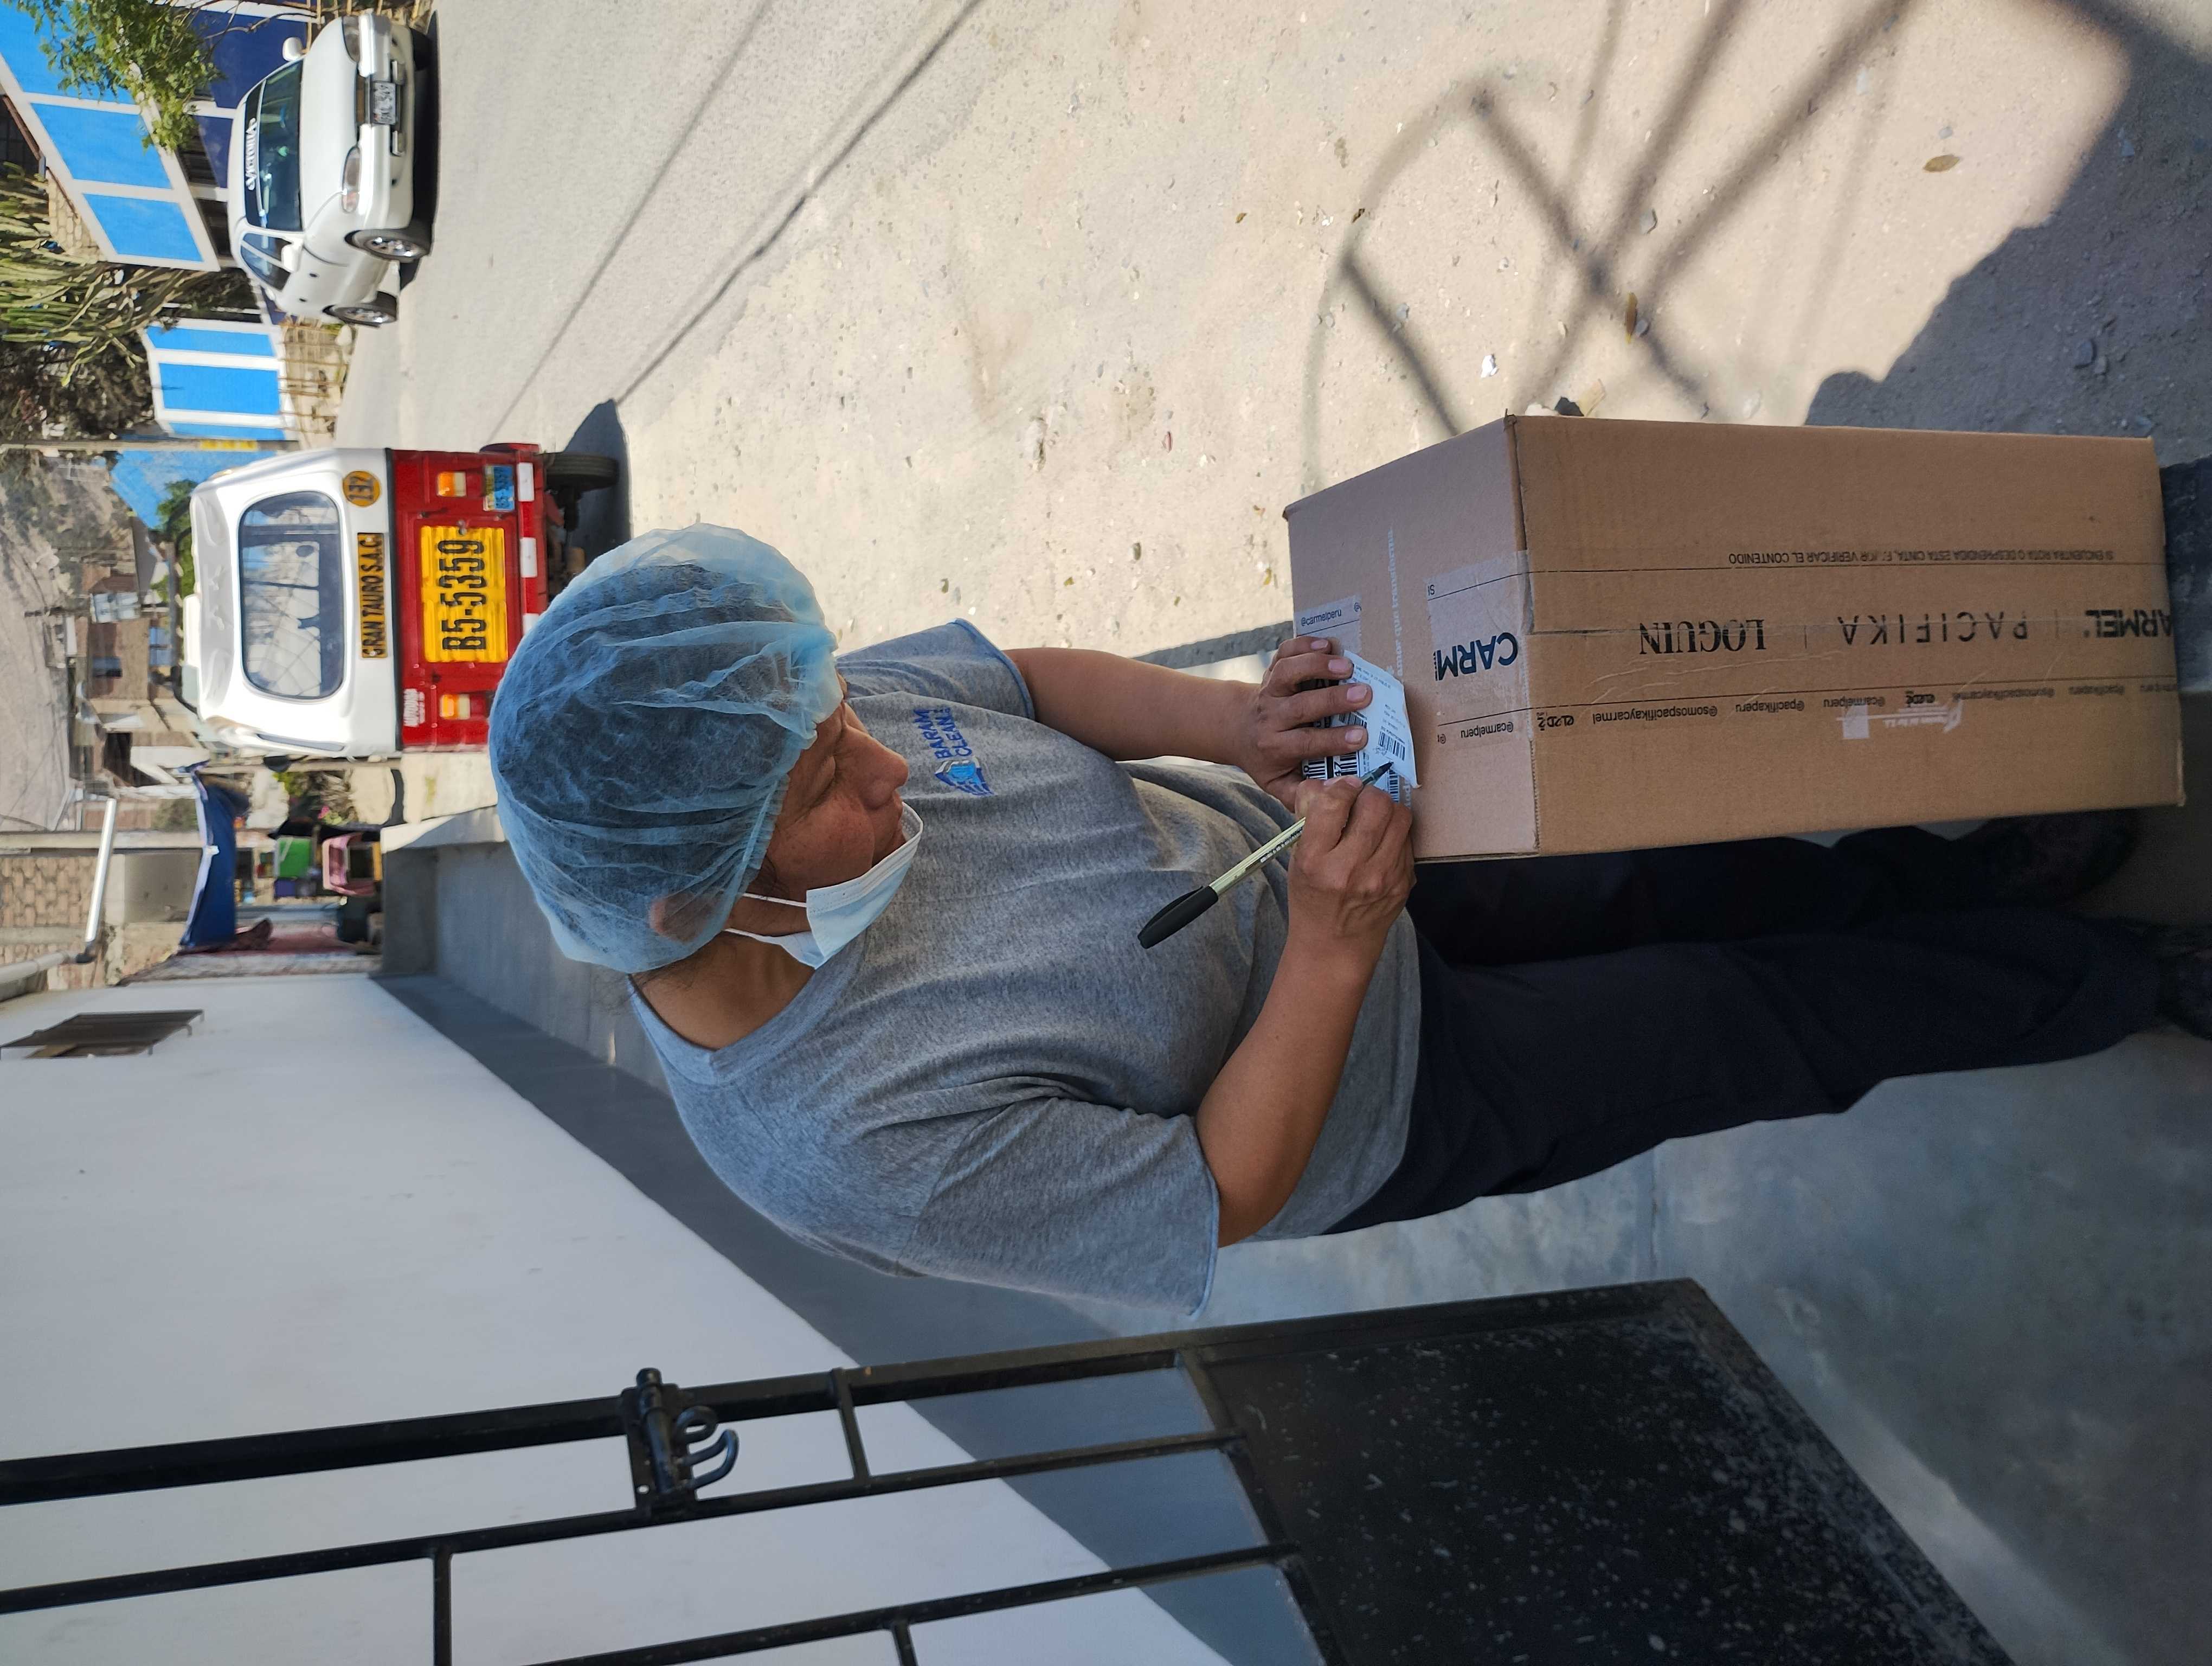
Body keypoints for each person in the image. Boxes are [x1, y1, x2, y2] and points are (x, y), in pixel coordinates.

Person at [488, 525, 2202, 1313]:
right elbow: (1218, 1190)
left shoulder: (781, 724)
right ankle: (2109, 978)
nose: (884, 764)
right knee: (1743, 1021)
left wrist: (1235, 725)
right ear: (702, 897)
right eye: (827, 784)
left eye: (843, 715)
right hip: (1378, 1085)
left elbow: (1020, 681)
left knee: (1685, 872)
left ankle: (1975, 878)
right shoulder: (842, 1142)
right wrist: (1328, 949)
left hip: (1321, 852)